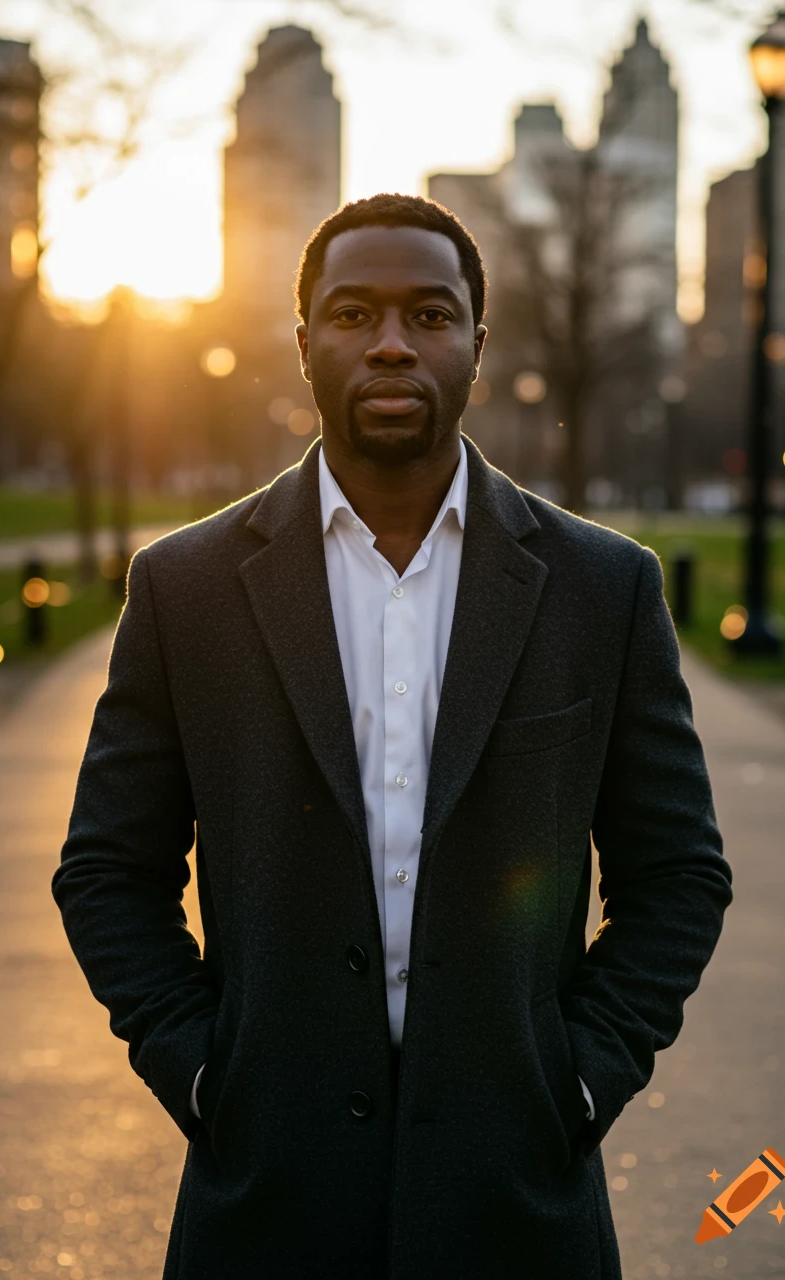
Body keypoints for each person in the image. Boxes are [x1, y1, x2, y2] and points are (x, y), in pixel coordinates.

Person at [53, 193, 732, 1279]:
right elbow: (105, 868)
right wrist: (196, 1068)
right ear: (305, 340)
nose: (388, 343)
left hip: (517, 1206)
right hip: (264, 1204)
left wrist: (585, 1074)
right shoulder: (184, 588)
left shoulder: (601, 589)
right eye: (351, 312)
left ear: (473, 340)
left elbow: (679, 874)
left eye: (427, 314)